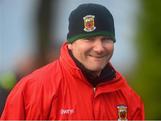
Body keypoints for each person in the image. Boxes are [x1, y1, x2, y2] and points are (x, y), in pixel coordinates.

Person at [1, 3, 144, 120]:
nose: (99, 48)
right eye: (89, 39)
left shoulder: (128, 98)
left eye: (106, 39)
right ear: (70, 43)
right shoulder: (32, 90)